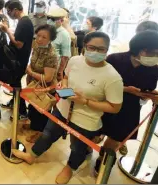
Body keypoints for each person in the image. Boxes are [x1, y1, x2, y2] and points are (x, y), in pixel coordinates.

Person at [12, 32, 124, 184]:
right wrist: (64, 87)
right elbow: (65, 78)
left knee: (78, 148)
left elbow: (115, 107)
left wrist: (85, 101)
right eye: (92, 47)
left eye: (101, 49)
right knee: (47, 134)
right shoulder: (75, 60)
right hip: (62, 108)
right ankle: (32, 156)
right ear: (85, 46)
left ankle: (69, 168)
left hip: (86, 119)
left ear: (107, 50)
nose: (96, 52)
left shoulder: (112, 76)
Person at [95, 31, 158, 165]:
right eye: (153, 53)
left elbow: (146, 90)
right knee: (94, 131)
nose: (156, 57)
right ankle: (87, 149)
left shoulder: (154, 70)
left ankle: (103, 161)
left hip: (129, 108)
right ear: (140, 49)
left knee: (115, 138)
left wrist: (153, 95)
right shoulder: (114, 59)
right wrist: (125, 89)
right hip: (105, 102)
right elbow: (99, 83)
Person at [0, 0, 34, 120]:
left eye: (9, 11)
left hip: (19, 59)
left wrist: (7, 30)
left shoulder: (24, 23)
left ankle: (21, 112)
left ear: (15, 10)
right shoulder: (23, 21)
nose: (8, 13)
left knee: (15, 83)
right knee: (14, 83)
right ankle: (15, 103)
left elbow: (19, 44)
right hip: (19, 58)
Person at [24, 24, 59, 143]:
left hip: (45, 89)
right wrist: (29, 68)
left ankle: (39, 134)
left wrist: (30, 72)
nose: (39, 39)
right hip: (34, 85)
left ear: (51, 39)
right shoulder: (37, 46)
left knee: (41, 112)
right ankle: (33, 126)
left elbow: (48, 78)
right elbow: (32, 61)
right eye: (38, 35)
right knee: (33, 108)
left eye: (44, 37)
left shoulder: (51, 54)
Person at [46, 8, 71, 83]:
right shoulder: (46, 30)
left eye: (53, 19)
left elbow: (65, 56)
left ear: (62, 21)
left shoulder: (64, 34)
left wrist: (60, 71)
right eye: (48, 18)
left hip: (53, 68)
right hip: (40, 66)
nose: (50, 21)